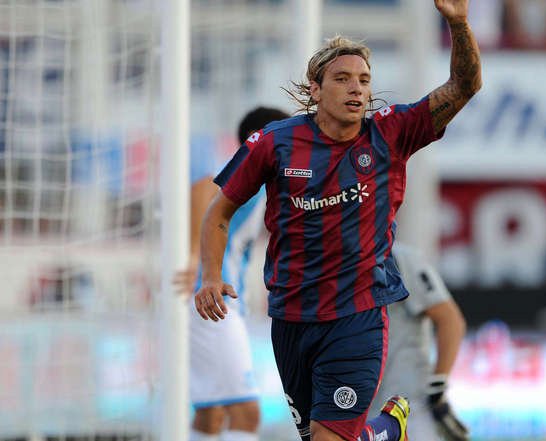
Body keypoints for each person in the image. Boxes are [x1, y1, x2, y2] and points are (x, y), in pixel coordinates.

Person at [194, 0, 482, 440]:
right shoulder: (275, 142)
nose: (356, 89)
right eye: (343, 78)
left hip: (357, 316)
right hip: (291, 317)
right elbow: (220, 211)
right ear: (315, 89)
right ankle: (387, 429)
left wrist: (458, 24)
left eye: (364, 80)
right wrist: (211, 277)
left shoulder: (390, 133)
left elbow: (464, 86)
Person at [177, 107, 290, 441]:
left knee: (211, 413)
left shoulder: (267, 185)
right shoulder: (248, 177)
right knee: (246, 413)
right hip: (214, 303)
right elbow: (203, 187)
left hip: (215, 303)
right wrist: (193, 254)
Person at [371, 242, 469, 441]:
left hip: (408, 408)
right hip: (362, 410)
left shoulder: (399, 257)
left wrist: (437, 389)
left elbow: (450, 320)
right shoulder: (336, 263)